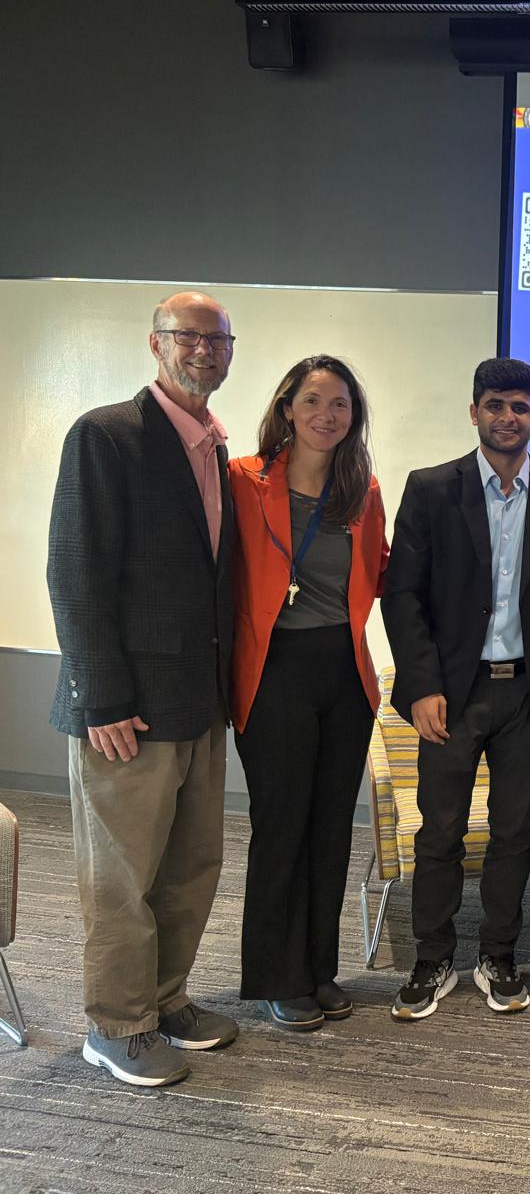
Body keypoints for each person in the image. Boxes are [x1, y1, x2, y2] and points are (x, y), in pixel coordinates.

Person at [46, 291, 240, 1087]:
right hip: (126, 710)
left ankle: (165, 999)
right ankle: (116, 1025)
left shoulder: (213, 447)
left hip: (199, 701)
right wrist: (102, 699)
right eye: (187, 336)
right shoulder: (107, 434)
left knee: (191, 867)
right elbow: (76, 571)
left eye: (217, 339)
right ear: (155, 344)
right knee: (121, 879)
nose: (203, 349)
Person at [382, 359, 530, 1020]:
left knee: (512, 832)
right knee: (440, 832)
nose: (507, 418)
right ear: (474, 412)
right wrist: (420, 686)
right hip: (452, 697)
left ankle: (499, 954)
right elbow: (402, 595)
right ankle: (431, 957)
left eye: (520, 407)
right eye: (495, 405)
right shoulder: (433, 489)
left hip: (528, 695)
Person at [229, 356, 388, 1032]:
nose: (328, 414)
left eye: (342, 405)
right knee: (282, 824)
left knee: (329, 828)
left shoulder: (363, 490)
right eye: (315, 400)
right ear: (287, 406)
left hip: (343, 673)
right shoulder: (242, 479)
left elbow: (380, 576)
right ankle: (276, 975)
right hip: (273, 671)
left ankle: (320, 970)